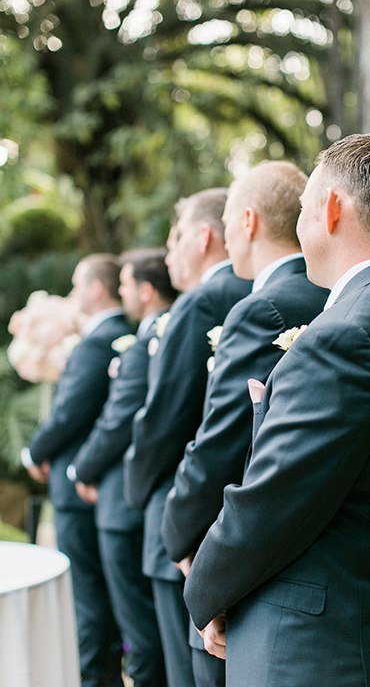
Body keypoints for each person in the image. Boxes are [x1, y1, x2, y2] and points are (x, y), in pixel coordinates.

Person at [184, 134, 370, 687]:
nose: (301, 223)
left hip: (309, 650)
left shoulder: (345, 335)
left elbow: (272, 498)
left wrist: (205, 591)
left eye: (304, 208)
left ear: (330, 209)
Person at [161, 160, 329, 686]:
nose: (226, 234)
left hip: (232, 557)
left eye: (229, 220)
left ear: (249, 221)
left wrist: (176, 538)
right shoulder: (334, 294)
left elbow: (219, 443)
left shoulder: (263, 308)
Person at [123, 188, 252, 687]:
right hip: (243, 518)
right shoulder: (259, 290)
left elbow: (163, 419)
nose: (168, 253)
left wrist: (138, 493)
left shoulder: (198, 304)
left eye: (175, 238)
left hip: (182, 518)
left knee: (188, 672)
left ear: (204, 237)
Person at [68, 248, 178, 687]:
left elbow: (119, 422)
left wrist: (82, 470)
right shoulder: (144, 338)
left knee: (139, 628)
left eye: (127, 284)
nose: (122, 292)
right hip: (139, 501)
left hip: (122, 501)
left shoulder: (145, 345)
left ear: (146, 290)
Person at [25, 254, 132, 687]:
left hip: (78, 484)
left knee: (87, 595)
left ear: (95, 288)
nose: (71, 293)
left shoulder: (96, 342)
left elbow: (69, 412)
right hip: (101, 484)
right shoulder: (124, 333)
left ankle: (95, 679)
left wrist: (34, 454)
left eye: (76, 284)